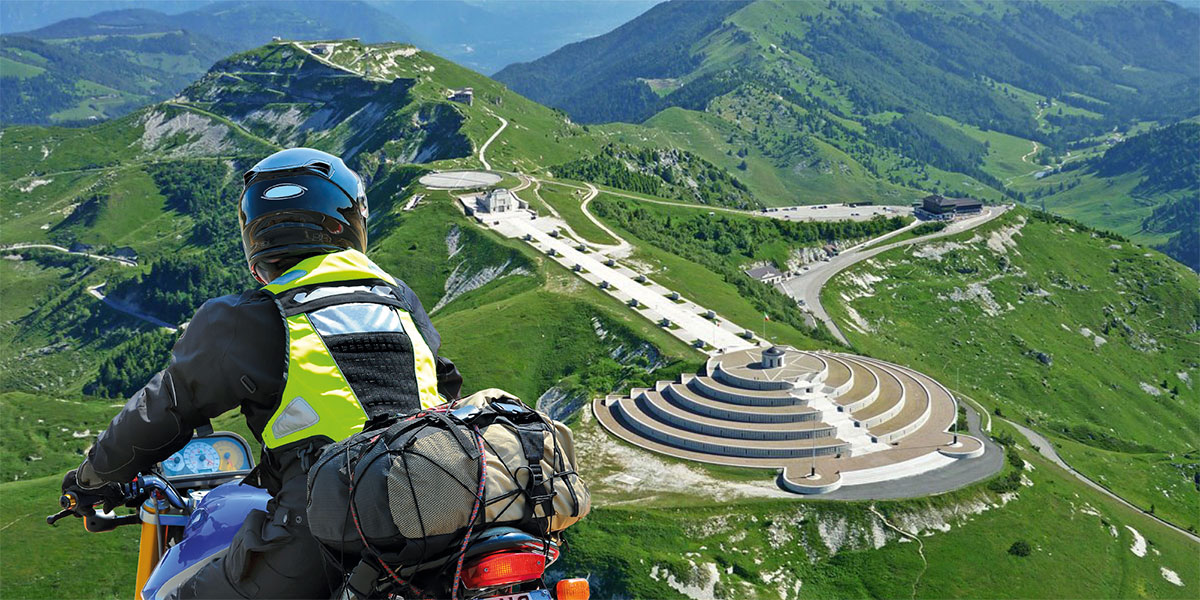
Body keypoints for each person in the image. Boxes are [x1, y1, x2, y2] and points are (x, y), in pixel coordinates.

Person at [60, 148, 462, 599]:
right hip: (441, 511)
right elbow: (444, 383)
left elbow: (161, 409)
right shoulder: (397, 299)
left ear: (255, 236)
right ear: (351, 220)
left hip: (326, 531)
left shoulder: (248, 318)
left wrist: (92, 479)